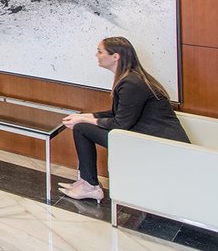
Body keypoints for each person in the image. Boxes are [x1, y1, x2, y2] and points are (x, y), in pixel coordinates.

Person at [59, 36, 189, 202]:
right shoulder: (130, 79)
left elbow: (120, 123)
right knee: (81, 126)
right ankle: (87, 182)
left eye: (100, 51)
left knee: (81, 129)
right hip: (146, 136)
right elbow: (118, 113)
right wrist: (83, 116)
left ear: (115, 56)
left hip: (159, 144)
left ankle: (89, 186)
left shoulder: (132, 84)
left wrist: (83, 121)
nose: (96, 55)